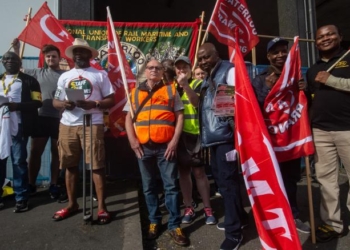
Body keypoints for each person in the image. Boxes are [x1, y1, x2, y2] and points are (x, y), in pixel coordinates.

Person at [124, 59, 189, 246]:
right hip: (143, 147)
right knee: (148, 186)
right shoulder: (135, 93)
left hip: (165, 147)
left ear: (162, 72)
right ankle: (154, 221)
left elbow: (180, 116)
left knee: (171, 187)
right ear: (145, 71)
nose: (154, 70)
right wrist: (132, 141)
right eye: (150, 67)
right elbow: (128, 119)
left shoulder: (170, 90)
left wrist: (174, 142)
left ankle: (174, 225)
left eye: (157, 68)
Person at [52, 38, 115, 224]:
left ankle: (102, 207)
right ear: (72, 56)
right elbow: (55, 101)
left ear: (89, 54)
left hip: (92, 123)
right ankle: (72, 204)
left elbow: (111, 99)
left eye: (82, 51)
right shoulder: (64, 76)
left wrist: (94, 103)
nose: (78, 54)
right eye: (75, 52)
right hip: (67, 125)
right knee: (70, 165)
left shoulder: (100, 75)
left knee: (97, 165)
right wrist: (64, 104)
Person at [252, 37, 311, 234]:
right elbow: (252, 112)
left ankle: (293, 214)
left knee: (291, 179)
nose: (280, 55)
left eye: (283, 51)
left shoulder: (296, 77)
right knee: (270, 180)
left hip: (290, 139)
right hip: (269, 142)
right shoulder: (259, 79)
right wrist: (267, 90)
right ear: (268, 56)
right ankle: (272, 217)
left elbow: (303, 108)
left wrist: (306, 92)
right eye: (275, 52)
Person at [197, 43, 246, 250]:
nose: (202, 62)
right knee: (223, 182)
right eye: (200, 59)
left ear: (216, 55)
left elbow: (237, 105)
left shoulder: (229, 71)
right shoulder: (208, 77)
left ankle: (234, 234)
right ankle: (240, 218)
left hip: (226, 138)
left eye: (206, 57)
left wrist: (235, 135)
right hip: (214, 139)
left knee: (228, 183)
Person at [307, 24, 350, 243]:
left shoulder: (348, 58)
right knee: (326, 181)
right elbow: (309, 99)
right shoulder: (312, 69)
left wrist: (331, 80)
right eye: (320, 37)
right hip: (321, 131)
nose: (325, 38)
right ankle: (333, 224)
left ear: (340, 36)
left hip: (348, 129)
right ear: (315, 42)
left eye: (330, 34)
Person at [13, 39, 66, 200]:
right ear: (45, 58)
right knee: (35, 152)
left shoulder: (66, 75)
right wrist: (17, 49)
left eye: (54, 56)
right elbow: (18, 68)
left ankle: (54, 184)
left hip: (60, 119)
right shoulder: (37, 73)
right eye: (48, 57)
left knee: (57, 153)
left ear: (59, 58)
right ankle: (31, 184)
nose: (51, 59)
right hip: (41, 118)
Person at [174, 56, 216, 225]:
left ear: (191, 69)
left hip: (196, 135)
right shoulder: (171, 87)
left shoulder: (198, 84)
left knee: (199, 173)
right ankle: (188, 207)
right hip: (180, 136)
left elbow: (197, 102)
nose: (181, 70)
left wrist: (185, 85)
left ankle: (207, 208)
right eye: (179, 68)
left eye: (185, 67)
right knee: (183, 174)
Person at [0, 51, 42, 212]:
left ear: (19, 62)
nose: (10, 61)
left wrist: (17, 106)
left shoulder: (29, 80)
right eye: (7, 59)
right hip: (0, 128)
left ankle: (21, 197)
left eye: (14, 59)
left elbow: (37, 102)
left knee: (18, 161)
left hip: (19, 127)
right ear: (3, 62)